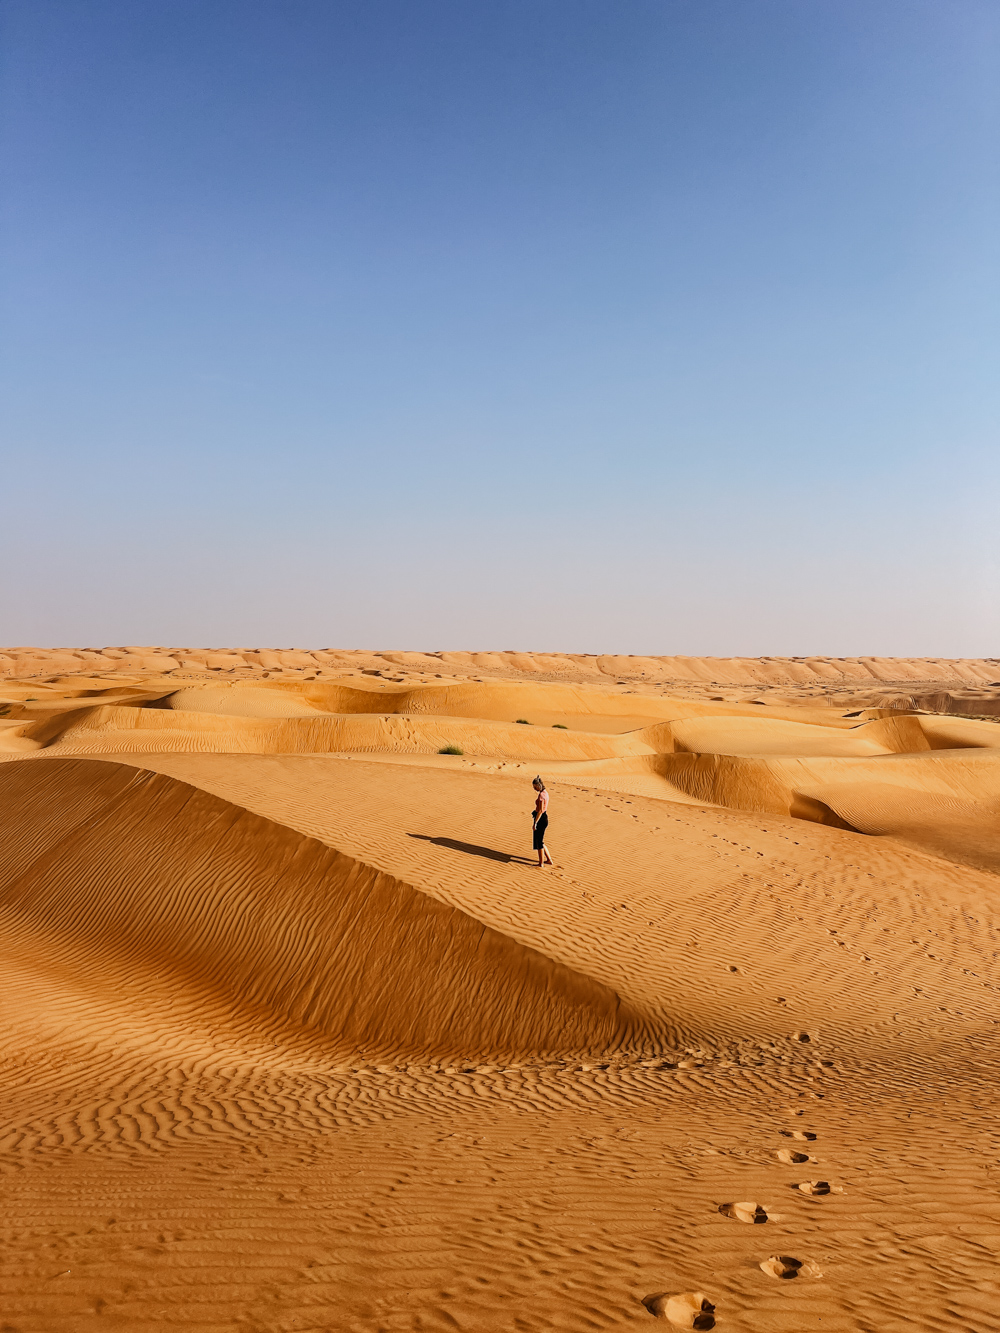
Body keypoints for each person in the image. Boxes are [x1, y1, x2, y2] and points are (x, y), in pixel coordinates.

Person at [531, 776, 553, 866]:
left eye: (534, 786)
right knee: (540, 840)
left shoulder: (541, 795)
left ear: (538, 785)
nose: (534, 788)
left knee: (539, 841)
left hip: (541, 819)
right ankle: (549, 860)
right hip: (543, 818)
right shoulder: (545, 793)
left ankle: (541, 863)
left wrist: (535, 823)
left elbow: (540, 810)